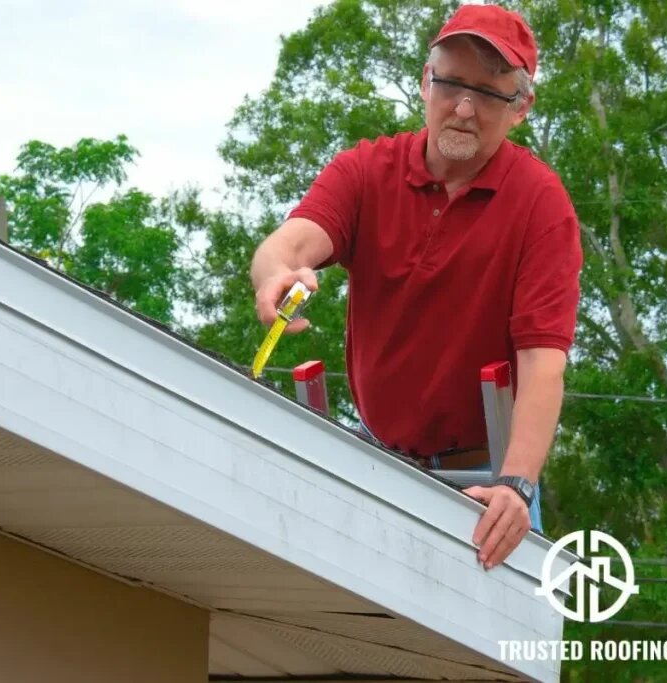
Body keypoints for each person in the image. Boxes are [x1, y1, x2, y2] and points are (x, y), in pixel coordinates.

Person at [250, 4, 582, 570]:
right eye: (451, 83)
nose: (464, 108)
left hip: (485, 487)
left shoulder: (541, 206)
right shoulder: (366, 169)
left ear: (520, 107)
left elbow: (543, 363)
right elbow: (291, 243)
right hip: (374, 461)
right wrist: (277, 274)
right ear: (426, 81)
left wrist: (517, 487)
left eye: (489, 93)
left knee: (484, 657)